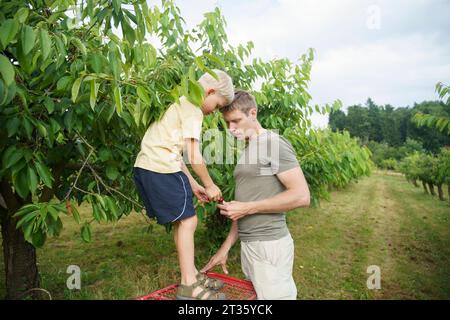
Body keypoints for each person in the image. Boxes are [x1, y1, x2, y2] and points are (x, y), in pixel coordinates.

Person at [133, 70, 234, 300]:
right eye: (217, 106)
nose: (214, 112)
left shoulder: (180, 103)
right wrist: (210, 185)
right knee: (190, 220)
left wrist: (193, 184)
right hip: (160, 168)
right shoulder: (193, 110)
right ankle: (189, 285)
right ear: (210, 92)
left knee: (183, 220)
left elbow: (176, 154)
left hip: (150, 167)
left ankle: (192, 276)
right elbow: (193, 154)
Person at [201, 90, 310, 300]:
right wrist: (226, 247)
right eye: (227, 123)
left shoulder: (273, 143)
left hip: (269, 244)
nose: (231, 129)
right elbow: (244, 205)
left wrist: (247, 208)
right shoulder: (250, 148)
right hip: (250, 245)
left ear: (253, 113)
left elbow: (301, 196)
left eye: (236, 121)